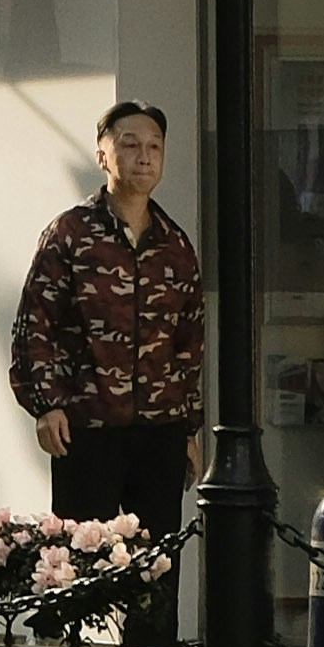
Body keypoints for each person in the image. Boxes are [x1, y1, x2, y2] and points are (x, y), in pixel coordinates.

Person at [12, 98, 202, 591]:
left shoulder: (176, 246)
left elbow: (188, 342)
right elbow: (37, 324)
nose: (144, 156)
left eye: (155, 146)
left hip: (160, 430)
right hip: (87, 428)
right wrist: (47, 405)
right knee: (74, 570)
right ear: (102, 154)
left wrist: (189, 428)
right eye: (130, 144)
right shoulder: (70, 235)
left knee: (156, 572)